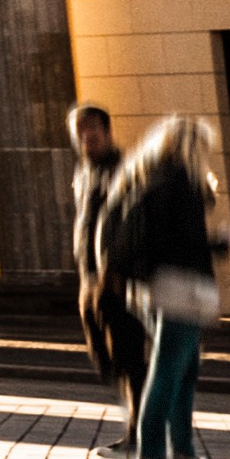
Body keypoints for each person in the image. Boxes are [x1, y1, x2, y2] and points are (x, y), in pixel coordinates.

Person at [115, 116, 225, 459]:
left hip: (163, 285)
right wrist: (216, 241)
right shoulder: (179, 185)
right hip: (182, 286)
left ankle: (182, 452)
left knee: (182, 370)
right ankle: (156, 453)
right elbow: (182, 241)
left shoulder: (154, 181)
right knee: (170, 371)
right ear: (191, 148)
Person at [69, 105, 134, 407]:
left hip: (115, 275)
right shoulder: (83, 171)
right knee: (103, 354)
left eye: (92, 129)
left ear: (107, 131)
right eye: (80, 131)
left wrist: (117, 267)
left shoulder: (123, 169)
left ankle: (142, 429)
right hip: (89, 273)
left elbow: (126, 222)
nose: (86, 136)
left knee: (126, 354)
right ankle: (139, 421)